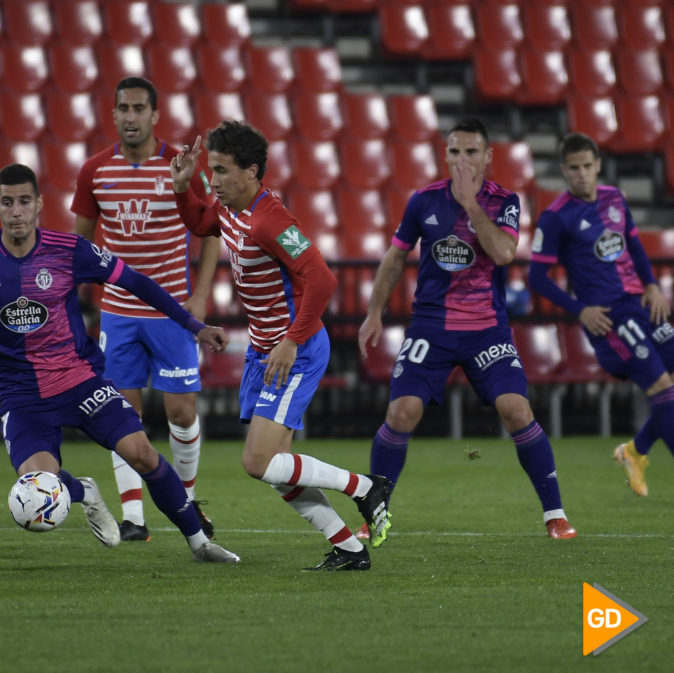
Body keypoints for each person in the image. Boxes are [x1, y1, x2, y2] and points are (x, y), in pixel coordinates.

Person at [0, 163, 240, 563]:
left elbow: (136, 283)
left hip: (80, 383)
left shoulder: (70, 250)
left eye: (23, 202)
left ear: (39, 204)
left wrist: (193, 324)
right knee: (36, 487)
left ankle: (200, 544)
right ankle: (82, 491)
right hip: (21, 397)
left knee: (142, 454)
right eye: (7, 203)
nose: (16, 211)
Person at [170, 121, 393, 571]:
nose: (212, 180)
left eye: (221, 170)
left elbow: (323, 279)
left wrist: (291, 340)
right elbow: (199, 221)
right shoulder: (230, 207)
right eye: (210, 169)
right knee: (276, 468)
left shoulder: (271, 218)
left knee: (258, 461)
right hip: (263, 351)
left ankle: (365, 487)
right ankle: (348, 548)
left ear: (251, 173)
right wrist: (182, 187)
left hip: (297, 348)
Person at [357, 117, 577, 540]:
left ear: (488, 157)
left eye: (471, 152)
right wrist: (374, 312)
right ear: (445, 155)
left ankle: (555, 515)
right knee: (401, 412)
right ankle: (373, 517)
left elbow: (505, 253)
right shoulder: (424, 201)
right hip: (431, 328)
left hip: (486, 329)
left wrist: (471, 204)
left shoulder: (504, 201)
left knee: (516, 409)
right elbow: (396, 257)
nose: (462, 161)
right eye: (454, 152)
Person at [72, 77, 220, 542]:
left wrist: (199, 299)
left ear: (155, 115)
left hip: (172, 310)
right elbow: (79, 245)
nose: (131, 116)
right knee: (122, 414)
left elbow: (210, 231)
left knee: (180, 412)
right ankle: (134, 517)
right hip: (117, 311)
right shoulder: (94, 171)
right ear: (113, 115)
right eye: (123, 108)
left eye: (139, 108)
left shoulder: (181, 166)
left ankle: (188, 501)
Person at [529, 132, 674, 497]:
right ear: (564, 170)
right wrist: (581, 311)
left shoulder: (615, 199)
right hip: (609, 318)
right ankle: (636, 452)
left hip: (641, 305)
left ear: (598, 166)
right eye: (573, 168)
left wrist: (653, 285)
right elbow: (536, 277)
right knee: (662, 388)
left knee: (670, 390)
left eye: (587, 167)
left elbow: (635, 247)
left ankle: (635, 451)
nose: (581, 174)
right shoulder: (556, 217)